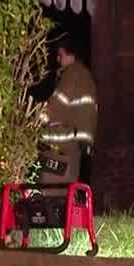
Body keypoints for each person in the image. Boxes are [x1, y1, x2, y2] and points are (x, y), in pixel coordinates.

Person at [38, 36, 98, 184]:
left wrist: (35, 119)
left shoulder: (72, 74)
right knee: (67, 185)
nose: (58, 59)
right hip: (75, 142)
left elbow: (56, 105)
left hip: (62, 140)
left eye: (60, 55)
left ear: (70, 55)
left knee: (52, 184)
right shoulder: (85, 76)